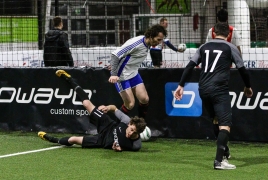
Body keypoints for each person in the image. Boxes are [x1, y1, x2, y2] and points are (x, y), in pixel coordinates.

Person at [174, 22, 253, 170]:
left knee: (216, 120)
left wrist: (181, 85)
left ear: (213, 34)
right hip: (219, 89)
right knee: (225, 125)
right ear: (229, 35)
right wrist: (248, 87)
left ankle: (225, 152)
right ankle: (219, 161)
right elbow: (242, 69)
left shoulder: (203, 47)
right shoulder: (231, 47)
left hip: (203, 89)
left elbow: (190, 66)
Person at [38, 70, 146, 152]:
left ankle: (53, 139)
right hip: (107, 125)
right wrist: (108, 108)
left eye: (134, 133)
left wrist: (118, 149)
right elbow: (114, 108)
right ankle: (70, 79)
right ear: (130, 124)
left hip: (101, 141)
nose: (131, 133)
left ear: (139, 134)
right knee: (86, 104)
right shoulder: (126, 120)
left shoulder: (136, 145)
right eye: (131, 129)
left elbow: (120, 148)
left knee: (73, 140)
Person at [108, 24, 167, 119]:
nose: (159, 42)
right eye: (158, 39)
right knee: (130, 104)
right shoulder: (136, 43)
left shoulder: (148, 44)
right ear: (151, 36)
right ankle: (114, 126)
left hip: (134, 73)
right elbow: (115, 55)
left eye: (161, 40)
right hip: (121, 76)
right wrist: (114, 74)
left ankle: (140, 125)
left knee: (144, 99)